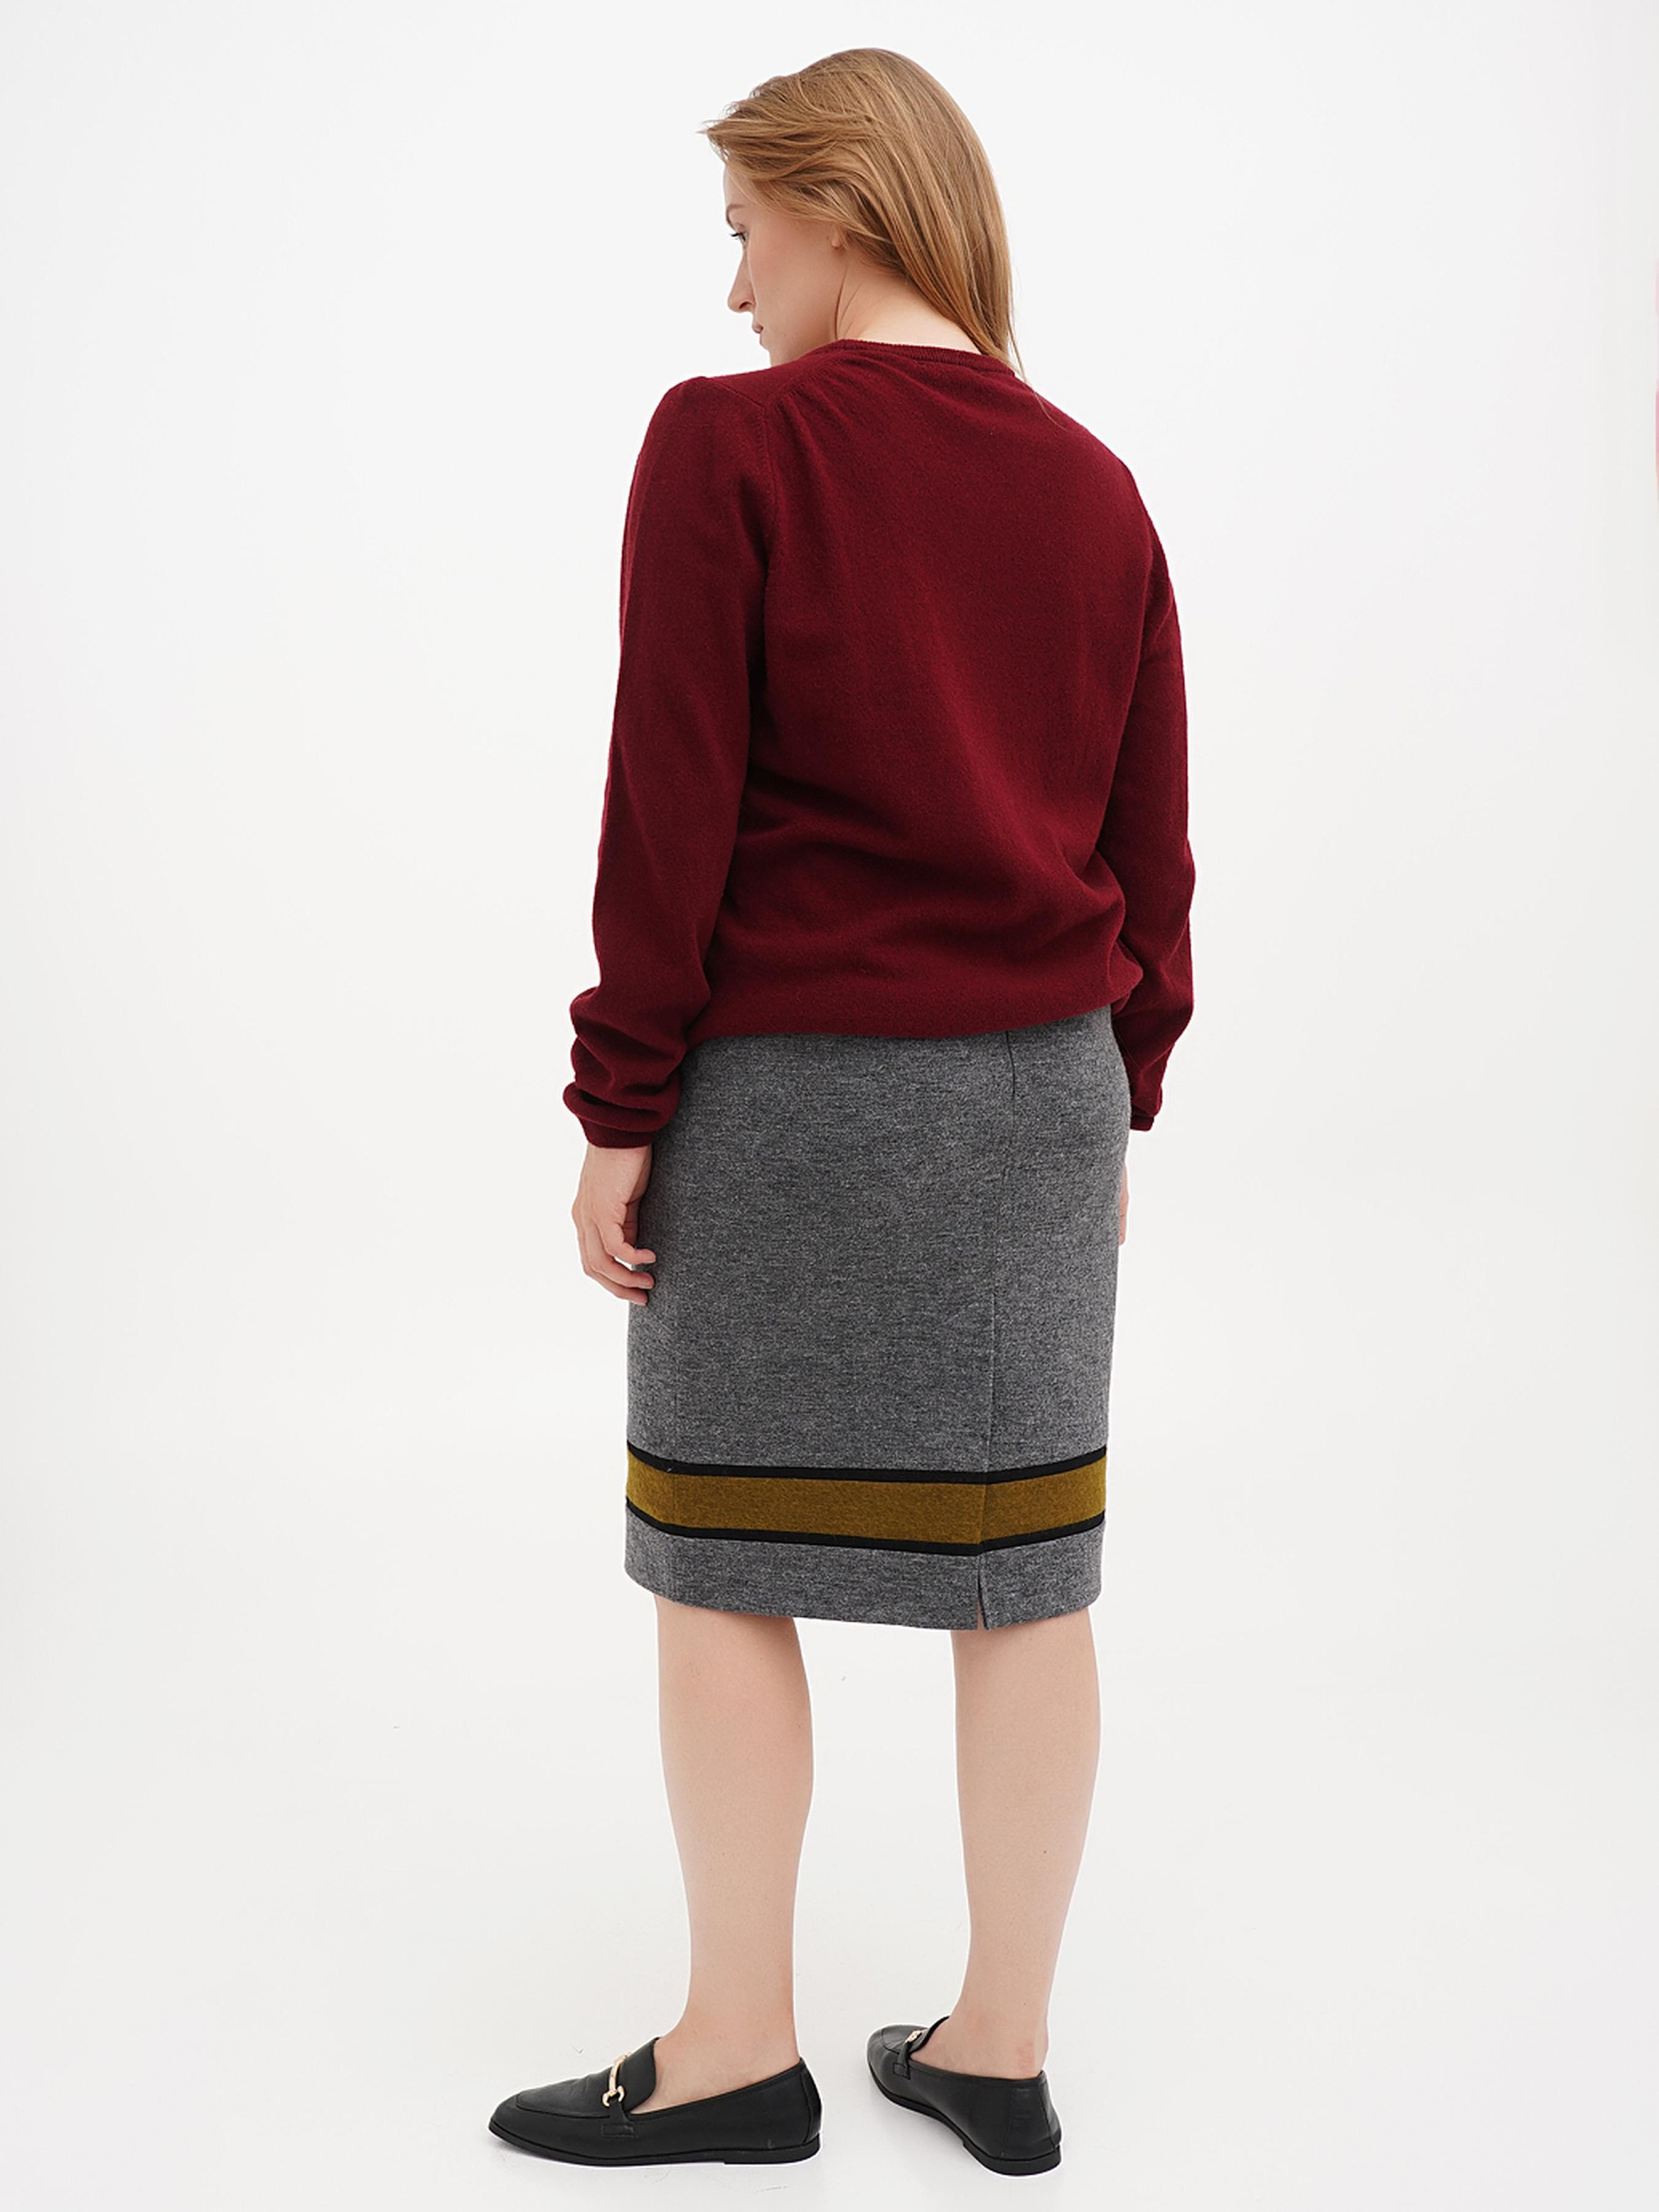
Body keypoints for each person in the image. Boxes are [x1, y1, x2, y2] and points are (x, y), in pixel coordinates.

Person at [488, 46, 1196, 2177]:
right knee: (1029, 1576)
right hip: (1035, 1106)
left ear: (835, 203)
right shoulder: (1094, 483)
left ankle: (735, 2050)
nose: (734, 289)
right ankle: (999, 2045)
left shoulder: (732, 446)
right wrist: (1118, 1100)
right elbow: (1149, 851)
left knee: (721, 1558)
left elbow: (669, 808)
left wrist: (620, 1101)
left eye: (742, 231)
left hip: (796, 1101)